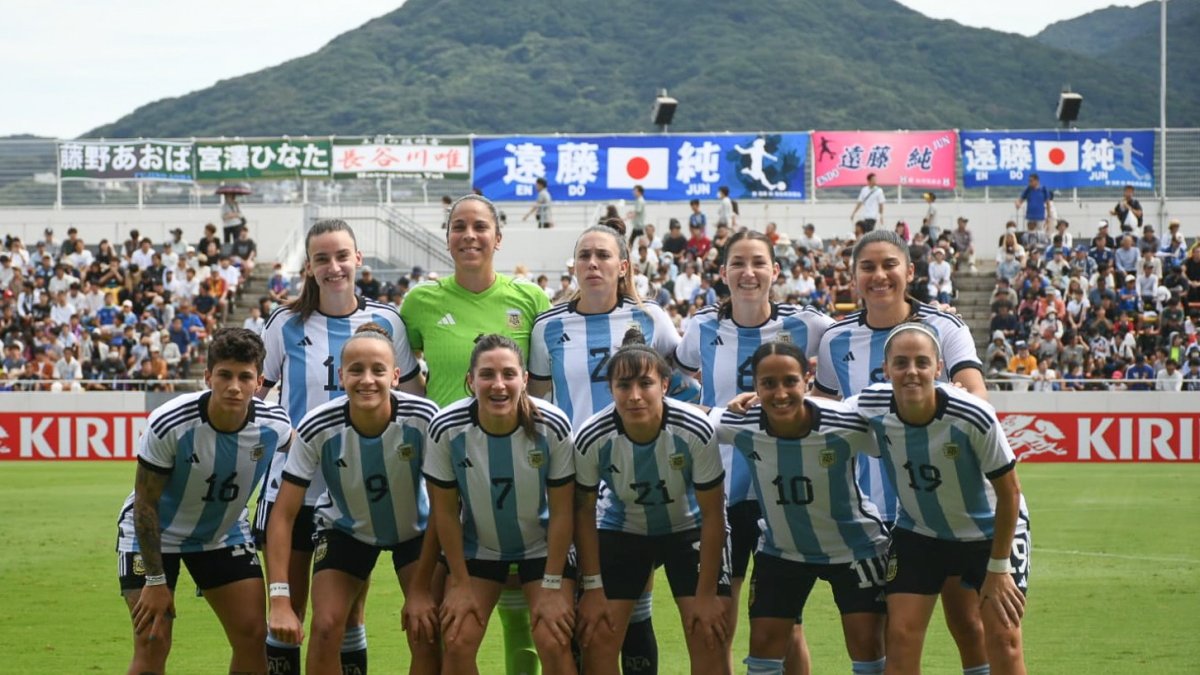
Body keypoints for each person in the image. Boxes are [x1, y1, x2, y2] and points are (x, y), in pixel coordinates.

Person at [812, 229, 990, 674]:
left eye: (889, 264)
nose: (879, 275)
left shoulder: (945, 327)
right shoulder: (835, 339)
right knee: (884, 633)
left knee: (967, 622)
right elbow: (824, 414)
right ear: (853, 276)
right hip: (869, 512)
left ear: (909, 271)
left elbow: (976, 397)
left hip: (940, 506)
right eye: (867, 267)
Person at [256, 218, 424, 675]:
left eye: (342, 256)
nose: (333, 267)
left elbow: (414, 399)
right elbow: (255, 398)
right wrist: (284, 437)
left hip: (359, 489)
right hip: (296, 486)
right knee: (287, 611)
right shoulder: (284, 323)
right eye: (322, 259)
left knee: (347, 613)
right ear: (309, 267)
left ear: (358, 259)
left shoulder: (386, 321)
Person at [400, 194, 551, 675]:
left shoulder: (530, 300)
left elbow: (540, 387)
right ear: (447, 238)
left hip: (518, 467)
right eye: (459, 227)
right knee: (452, 618)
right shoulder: (419, 302)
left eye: (480, 227)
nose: (469, 236)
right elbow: (407, 383)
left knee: (525, 616)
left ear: (498, 238)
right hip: (450, 472)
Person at [528, 223, 683, 674]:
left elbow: (679, 384)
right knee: (582, 610)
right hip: (572, 480)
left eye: (603, 255)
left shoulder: (651, 319)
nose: (593, 264)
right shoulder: (548, 326)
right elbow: (538, 402)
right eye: (584, 256)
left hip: (636, 480)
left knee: (634, 607)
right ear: (574, 267)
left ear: (624, 266)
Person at [676, 229, 833, 672]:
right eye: (738, 264)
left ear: (775, 271)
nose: (749, 273)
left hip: (780, 494)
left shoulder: (809, 325)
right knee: (718, 622)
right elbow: (681, 376)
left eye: (758, 262)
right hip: (719, 494)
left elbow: (844, 364)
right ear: (723, 272)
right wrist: (711, 410)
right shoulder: (702, 326)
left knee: (786, 626)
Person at [851, 324, 1030, 675]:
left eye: (922, 362)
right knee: (900, 636)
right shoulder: (871, 404)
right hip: (920, 531)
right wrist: (756, 402)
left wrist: (998, 568)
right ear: (886, 369)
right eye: (901, 363)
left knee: (1003, 638)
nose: (911, 371)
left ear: (938, 368)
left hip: (988, 534)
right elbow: (819, 412)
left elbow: (1009, 492)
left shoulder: (972, 414)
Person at [114, 328, 293, 675]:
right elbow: (145, 503)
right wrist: (155, 580)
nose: (234, 386)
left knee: (253, 635)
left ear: (259, 382)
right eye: (225, 375)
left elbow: (308, 452)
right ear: (208, 377)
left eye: (245, 377)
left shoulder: (275, 424)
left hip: (222, 534)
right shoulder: (170, 422)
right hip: (154, 534)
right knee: (153, 639)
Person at [266, 324, 443, 675]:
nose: (367, 380)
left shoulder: (424, 417)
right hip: (345, 531)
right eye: (356, 370)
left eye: (378, 370)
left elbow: (444, 506)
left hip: (416, 532)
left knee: (426, 631)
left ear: (395, 376)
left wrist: (421, 589)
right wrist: (280, 597)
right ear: (341, 376)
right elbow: (283, 514)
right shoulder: (318, 426)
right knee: (325, 627)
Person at [715, 341, 888, 675]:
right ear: (754, 386)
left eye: (790, 381)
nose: (780, 393)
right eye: (768, 383)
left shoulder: (846, 423)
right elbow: (690, 416)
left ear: (807, 379)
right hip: (783, 550)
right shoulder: (740, 422)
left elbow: (896, 428)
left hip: (855, 548)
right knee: (763, 648)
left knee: (867, 646)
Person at [573, 339, 730, 675]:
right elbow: (583, 513)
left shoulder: (694, 428)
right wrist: (593, 588)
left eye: (645, 383)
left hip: (689, 528)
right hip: (622, 528)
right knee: (597, 639)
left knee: (708, 635)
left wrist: (706, 595)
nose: (634, 396)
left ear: (665, 385)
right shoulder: (591, 436)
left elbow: (714, 513)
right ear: (610, 389)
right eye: (623, 385)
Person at [425, 335, 577, 675]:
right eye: (487, 374)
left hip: (543, 550)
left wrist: (553, 585)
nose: (498, 385)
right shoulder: (446, 428)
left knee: (553, 640)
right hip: (478, 549)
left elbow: (563, 511)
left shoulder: (552, 424)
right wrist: (460, 583)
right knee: (457, 641)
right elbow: (445, 513)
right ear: (470, 380)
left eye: (509, 374)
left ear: (525, 379)